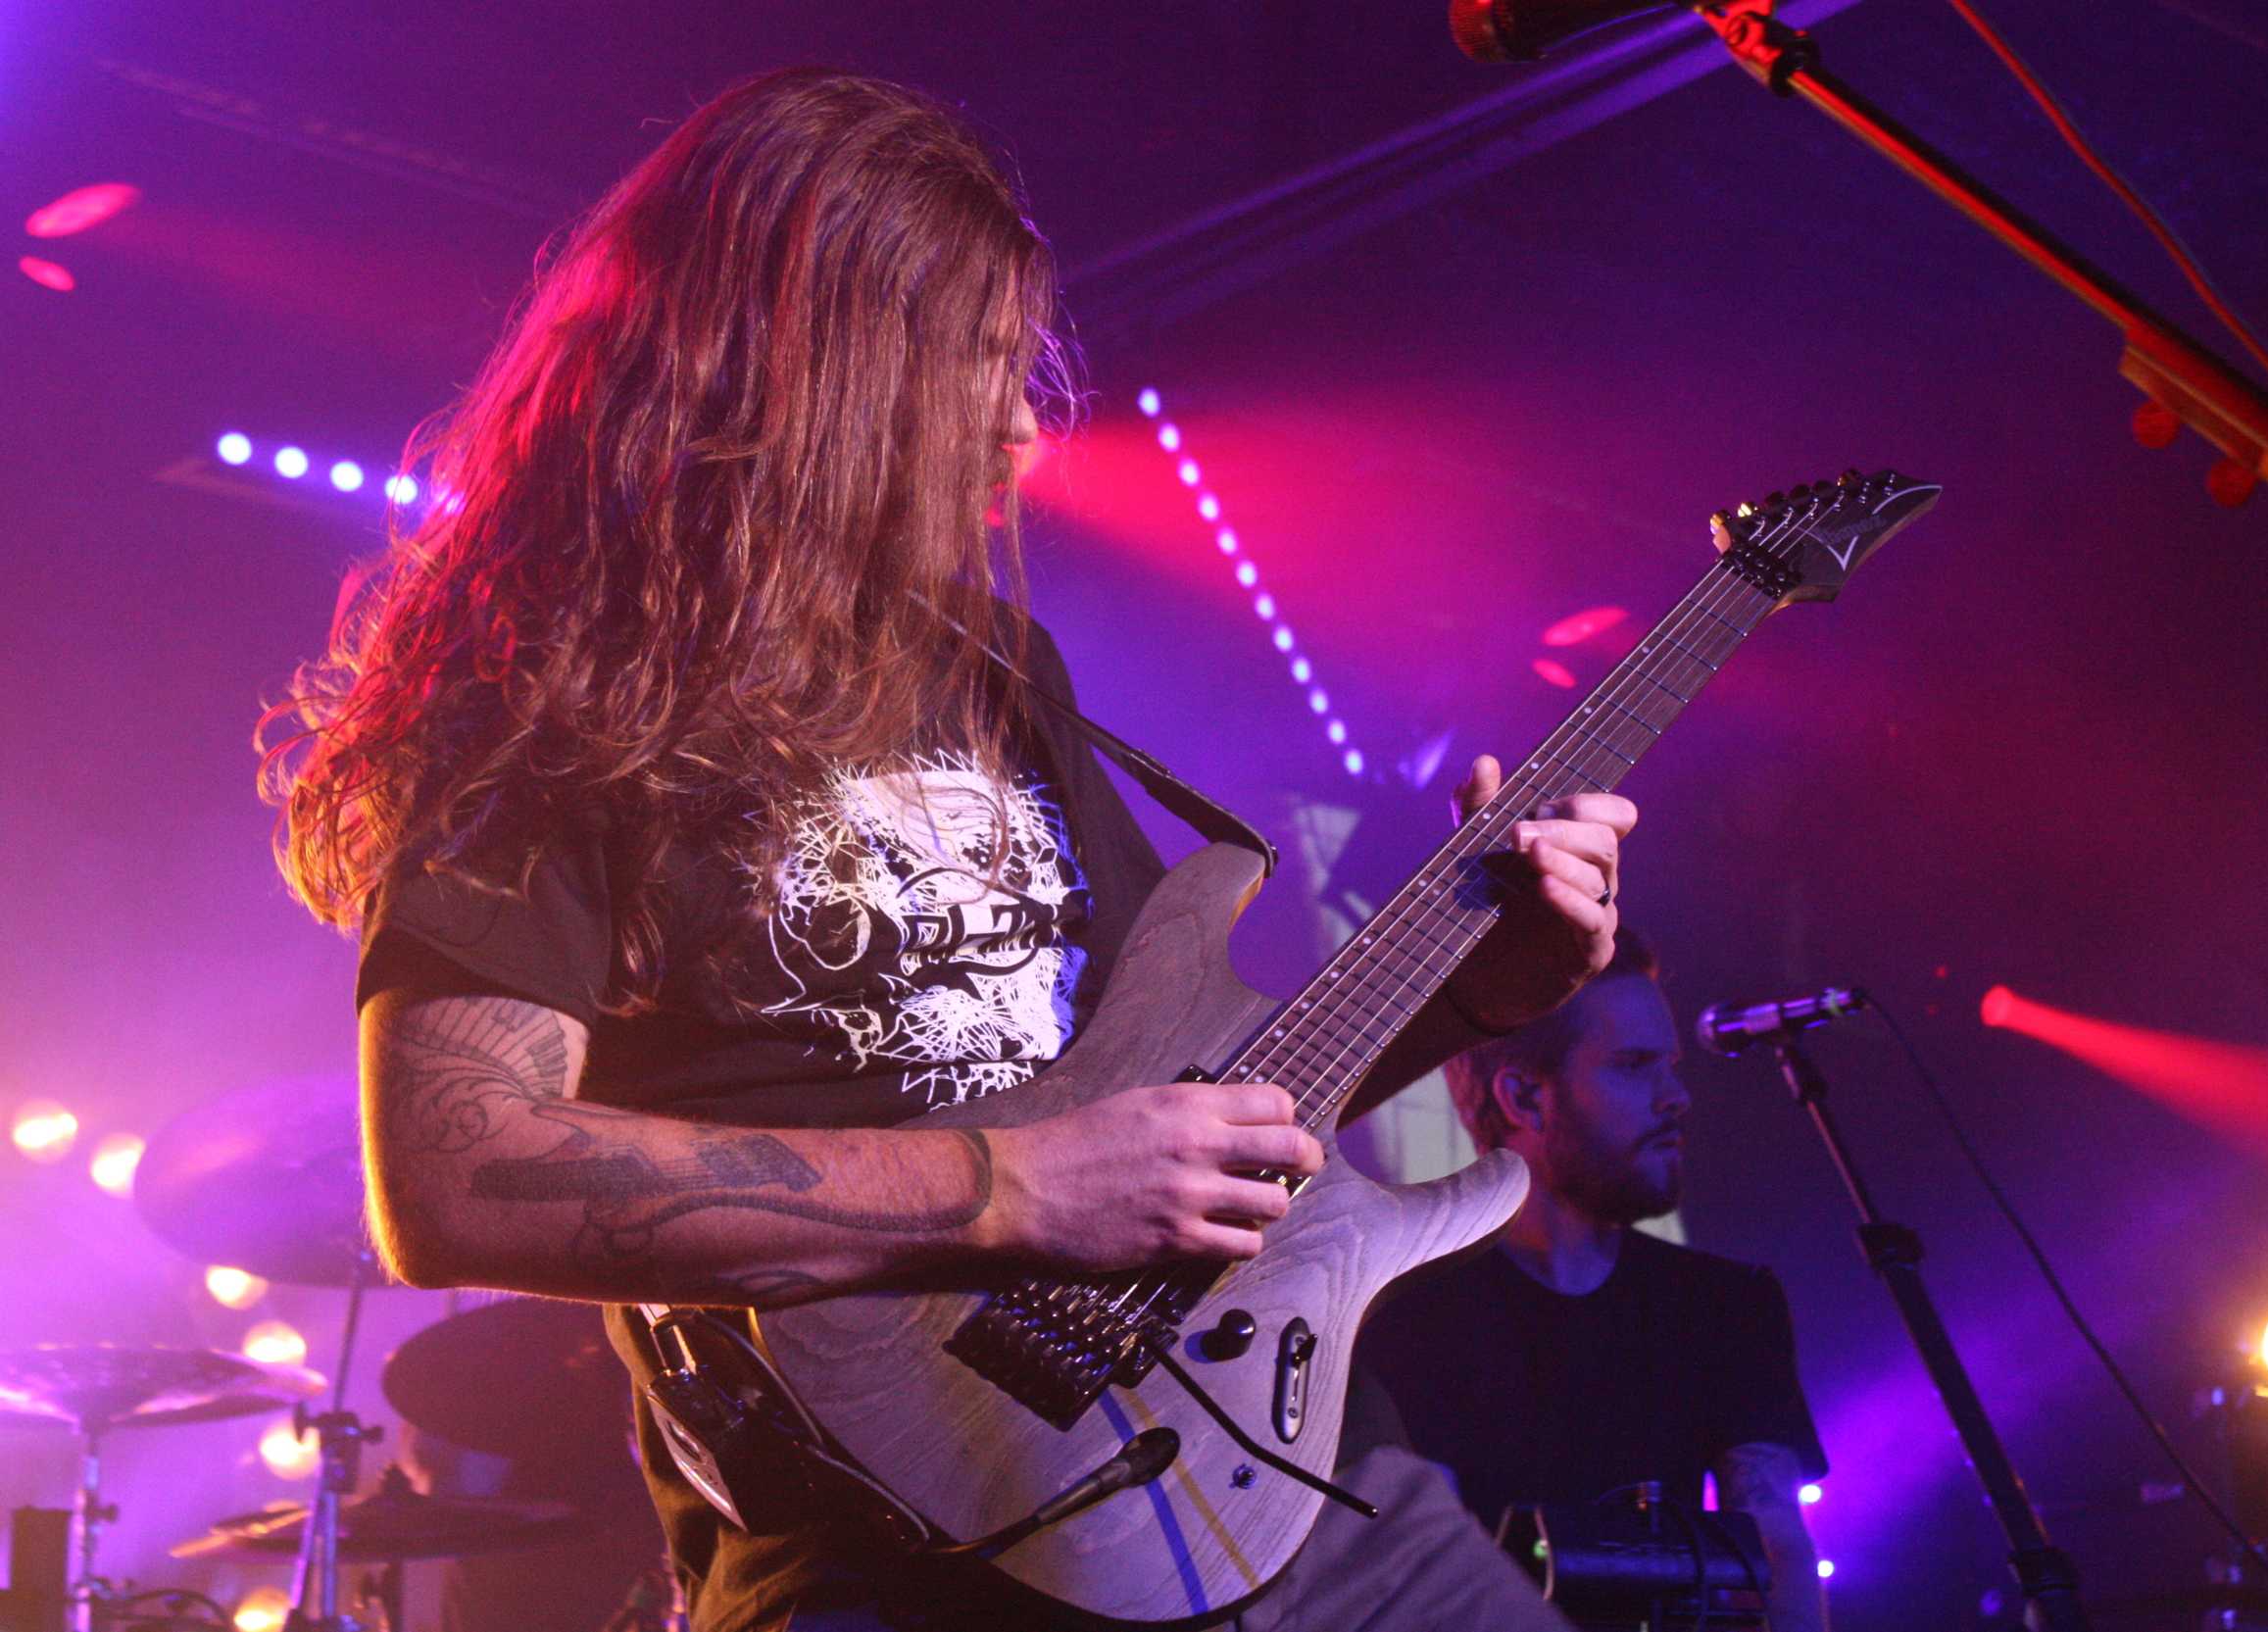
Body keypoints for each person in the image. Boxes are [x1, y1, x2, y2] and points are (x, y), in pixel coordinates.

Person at [261, 69, 1634, 1632]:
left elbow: (1195, 1108)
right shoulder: (550, 695)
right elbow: (450, 1174)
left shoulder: (989, 661)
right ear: (807, 369)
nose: (1020, 432)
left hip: (1294, 1486)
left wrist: (1475, 994)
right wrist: (1008, 1187)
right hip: (902, 1547)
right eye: (971, 365)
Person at [1357, 931, 1832, 1632]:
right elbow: (1421, 1574)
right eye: (1636, 1065)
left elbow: (1776, 1548)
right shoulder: (1401, 1314)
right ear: (1524, 1095)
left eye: (1669, 1065)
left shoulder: (1728, 1305)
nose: (1677, 1096)